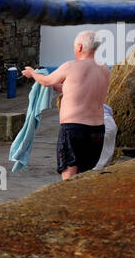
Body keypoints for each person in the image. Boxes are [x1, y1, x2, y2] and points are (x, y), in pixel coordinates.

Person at [23, 32, 110, 180]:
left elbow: (46, 81)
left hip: (74, 130)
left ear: (80, 46)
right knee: (86, 173)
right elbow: (74, 89)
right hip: (97, 131)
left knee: (69, 175)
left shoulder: (71, 66)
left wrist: (32, 73)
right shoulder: (104, 69)